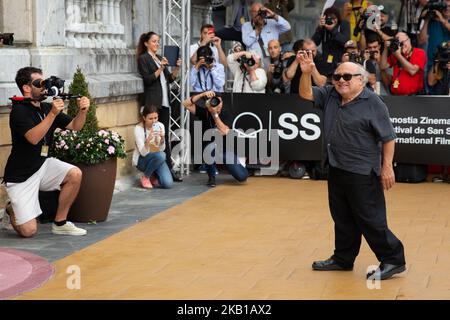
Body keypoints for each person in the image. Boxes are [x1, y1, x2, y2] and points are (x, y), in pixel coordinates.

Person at [297, 56, 406, 280]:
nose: (341, 81)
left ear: (361, 80)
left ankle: (393, 259)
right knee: (342, 217)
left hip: (363, 171)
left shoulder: (373, 103)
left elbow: (388, 137)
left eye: (347, 77)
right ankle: (343, 259)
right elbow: (305, 94)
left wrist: (387, 167)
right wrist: (306, 73)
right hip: (336, 167)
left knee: (370, 219)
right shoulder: (330, 95)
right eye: (337, 76)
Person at [2, 67, 90, 238]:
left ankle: (60, 223)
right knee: (29, 231)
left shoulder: (47, 107)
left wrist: (82, 111)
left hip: (42, 164)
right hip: (21, 176)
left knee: (74, 174)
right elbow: (33, 138)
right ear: (26, 88)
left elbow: (75, 126)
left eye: (44, 82)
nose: (44, 86)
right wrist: (52, 114)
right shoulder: (19, 111)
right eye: (38, 83)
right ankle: (11, 209)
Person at [136, 31, 183, 182]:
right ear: (146, 43)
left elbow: (169, 79)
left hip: (165, 103)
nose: (157, 44)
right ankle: (153, 171)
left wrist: (176, 68)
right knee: (152, 135)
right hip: (153, 103)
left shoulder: (158, 58)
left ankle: (167, 169)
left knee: (164, 137)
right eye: (154, 41)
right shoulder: (144, 58)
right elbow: (148, 79)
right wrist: (161, 68)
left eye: (158, 41)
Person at [182, 91, 249, 187]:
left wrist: (215, 115)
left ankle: (240, 164)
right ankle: (211, 178)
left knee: (242, 177)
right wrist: (202, 95)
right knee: (210, 149)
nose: (218, 105)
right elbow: (185, 104)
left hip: (224, 149)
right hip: (208, 147)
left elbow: (224, 131)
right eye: (215, 102)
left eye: (220, 102)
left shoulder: (226, 114)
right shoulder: (204, 112)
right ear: (208, 103)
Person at [133, 105, 173, 190]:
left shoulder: (160, 126)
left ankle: (152, 174)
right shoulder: (138, 128)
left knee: (168, 184)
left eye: (156, 118)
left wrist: (162, 139)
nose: (153, 121)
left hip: (157, 157)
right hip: (142, 160)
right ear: (144, 118)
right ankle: (146, 176)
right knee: (161, 155)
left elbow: (162, 149)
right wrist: (147, 141)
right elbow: (143, 153)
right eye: (150, 119)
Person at [312, 7, 351, 74]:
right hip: (326, 62)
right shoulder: (323, 27)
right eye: (329, 19)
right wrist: (319, 28)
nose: (332, 21)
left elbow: (345, 41)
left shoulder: (343, 24)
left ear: (338, 18)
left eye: (334, 18)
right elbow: (314, 43)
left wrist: (332, 30)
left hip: (340, 60)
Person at [418, 0, 450, 72]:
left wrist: (442, 20)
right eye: (444, 6)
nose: (447, 8)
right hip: (431, 63)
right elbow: (421, 40)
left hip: (447, 64)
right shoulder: (433, 21)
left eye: (449, 6)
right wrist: (427, 19)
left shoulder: (442, 20)